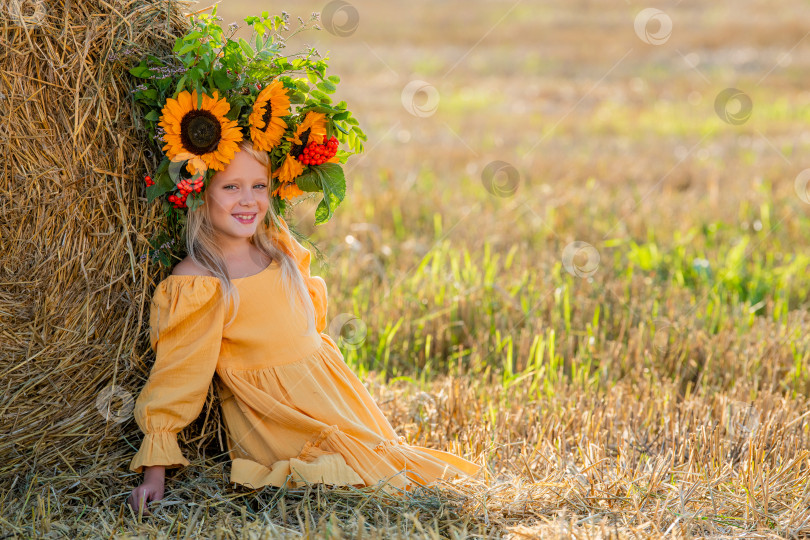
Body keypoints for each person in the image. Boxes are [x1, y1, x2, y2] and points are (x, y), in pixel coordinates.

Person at [127, 139, 482, 516]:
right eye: (231, 187)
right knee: (347, 480)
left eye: (258, 186)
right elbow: (178, 376)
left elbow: (311, 320)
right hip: (282, 417)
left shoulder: (279, 248)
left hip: (332, 391)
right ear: (196, 194)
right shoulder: (200, 283)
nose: (248, 200)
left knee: (400, 477)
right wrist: (155, 472)